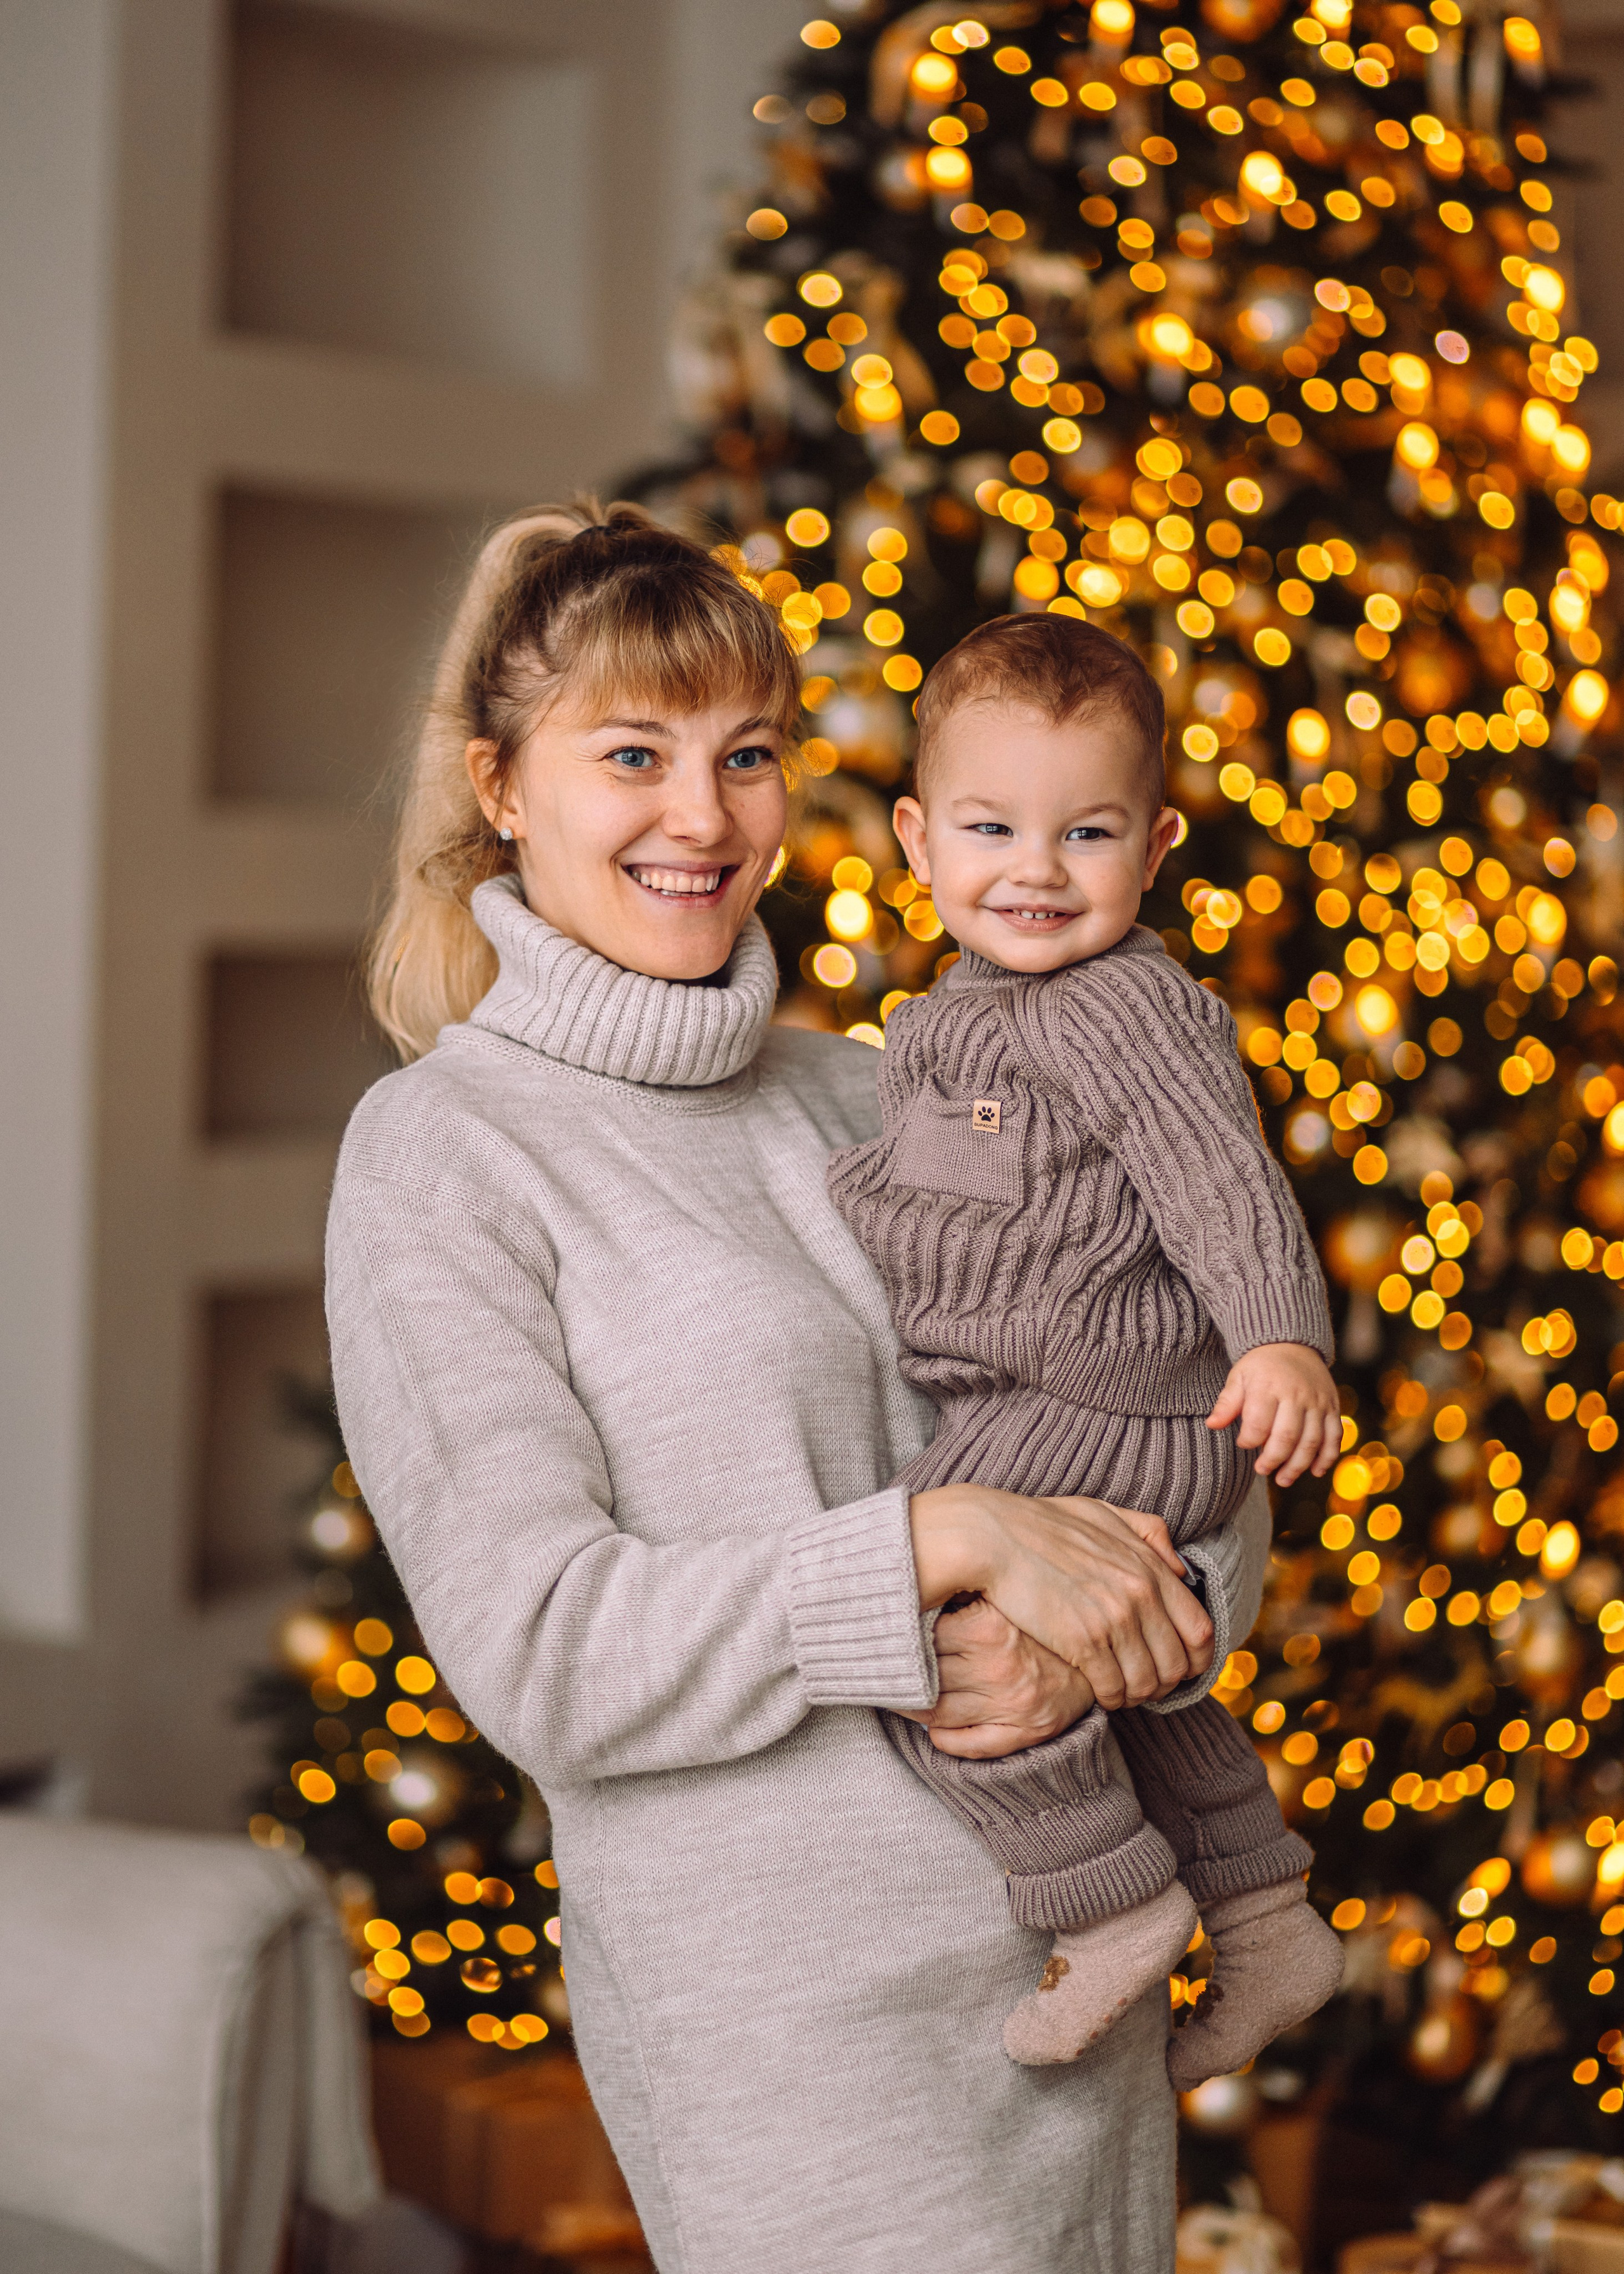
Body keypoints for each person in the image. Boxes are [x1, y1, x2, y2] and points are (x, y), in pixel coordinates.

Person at [326, 500, 1274, 2273]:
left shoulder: (885, 1088)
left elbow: (1187, 1423)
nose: (704, 818)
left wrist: (1144, 1612)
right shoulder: (443, 1157)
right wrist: (941, 1545)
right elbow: (548, 1653)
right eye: (633, 756)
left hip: (1081, 1968)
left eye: (746, 755)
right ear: (502, 787)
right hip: (794, 2042)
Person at [828, 614, 1346, 2081]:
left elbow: (1216, 1173)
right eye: (991, 827)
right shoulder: (953, 1015)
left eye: (1087, 832)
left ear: (1157, 842)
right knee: (1117, 1667)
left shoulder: (1115, 1002)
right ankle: (1262, 1909)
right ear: (917, 841)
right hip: (1051, 1398)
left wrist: (1277, 1339)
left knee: (922, 1633)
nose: (1035, 870)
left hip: (1091, 1397)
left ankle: (1111, 1902)